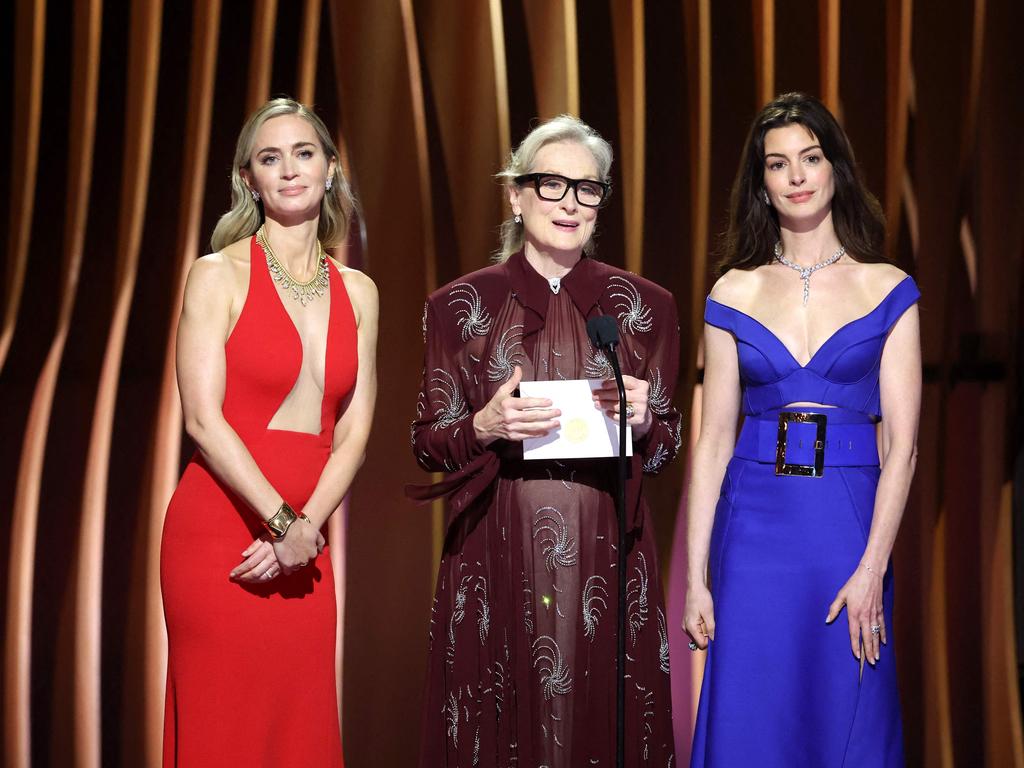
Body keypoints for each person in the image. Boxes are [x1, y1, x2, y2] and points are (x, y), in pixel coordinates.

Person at [408, 115, 682, 767]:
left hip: (607, 559)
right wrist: (484, 426)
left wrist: (647, 422)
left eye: (587, 189)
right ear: (515, 193)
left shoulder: (645, 308)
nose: (569, 202)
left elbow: (667, 449)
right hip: (493, 556)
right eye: (551, 184)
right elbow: (426, 442)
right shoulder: (458, 305)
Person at [683, 92, 920, 766]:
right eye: (777, 164)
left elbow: (902, 446)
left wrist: (873, 567)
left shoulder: (890, 289)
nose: (796, 176)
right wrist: (695, 576)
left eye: (810, 158)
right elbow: (712, 438)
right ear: (760, 182)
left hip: (847, 525)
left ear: (835, 167)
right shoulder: (733, 292)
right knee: (752, 715)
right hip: (754, 526)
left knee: (849, 704)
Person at [161, 98, 377, 766]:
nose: (290, 170)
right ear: (248, 179)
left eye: (304, 153)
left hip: (306, 546)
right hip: (222, 537)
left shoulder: (360, 290)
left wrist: (304, 531)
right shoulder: (217, 274)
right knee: (223, 731)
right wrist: (284, 524)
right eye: (270, 158)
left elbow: (355, 432)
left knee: (300, 731)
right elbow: (202, 419)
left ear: (331, 170)